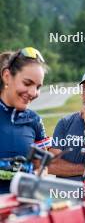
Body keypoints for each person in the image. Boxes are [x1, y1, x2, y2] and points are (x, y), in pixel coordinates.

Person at [0, 47, 50, 193]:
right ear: (7, 76)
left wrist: (36, 172)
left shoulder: (34, 120)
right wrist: (5, 169)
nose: (34, 93)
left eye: (38, 86)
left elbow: (42, 167)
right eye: (27, 83)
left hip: (23, 211)